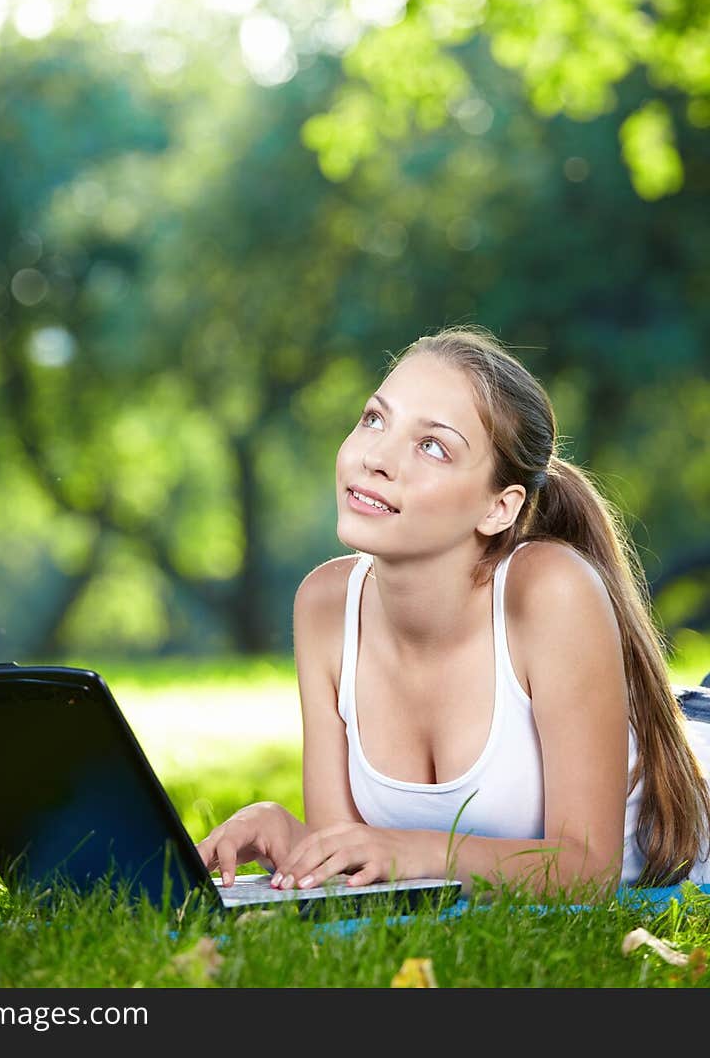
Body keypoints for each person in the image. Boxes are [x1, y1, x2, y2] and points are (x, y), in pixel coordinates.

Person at [196, 326, 710, 900]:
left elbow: (587, 872)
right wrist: (291, 834)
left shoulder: (550, 590)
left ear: (499, 507)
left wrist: (416, 850)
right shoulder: (324, 604)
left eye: (432, 445)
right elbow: (352, 862)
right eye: (374, 419)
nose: (377, 458)